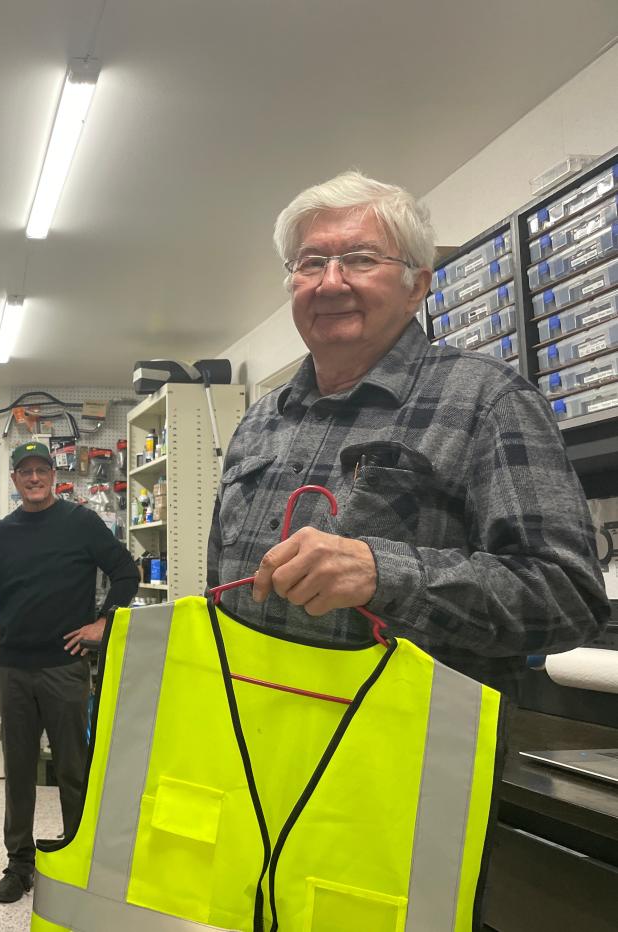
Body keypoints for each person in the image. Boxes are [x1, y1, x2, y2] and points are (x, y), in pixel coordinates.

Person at [208, 170, 608, 696]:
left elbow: (568, 598)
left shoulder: (489, 401)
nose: (330, 282)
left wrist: (384, 574)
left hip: (406, 754)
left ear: (416, 286)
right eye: (311, 263)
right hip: (248, 741)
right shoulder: (259, 421)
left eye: (360, 259)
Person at [0, 441, 140, 904]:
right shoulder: (4, 532)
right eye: (24, 471)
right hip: (13, 670)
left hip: (65, 668)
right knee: (20, 771)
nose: (33, 477)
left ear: (52, 474)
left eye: (40, 469)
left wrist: (104, 622)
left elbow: (127, 572)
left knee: (72, 769)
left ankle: (76, 856)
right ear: (15, 480)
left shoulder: (80, 523)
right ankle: (20, 864)